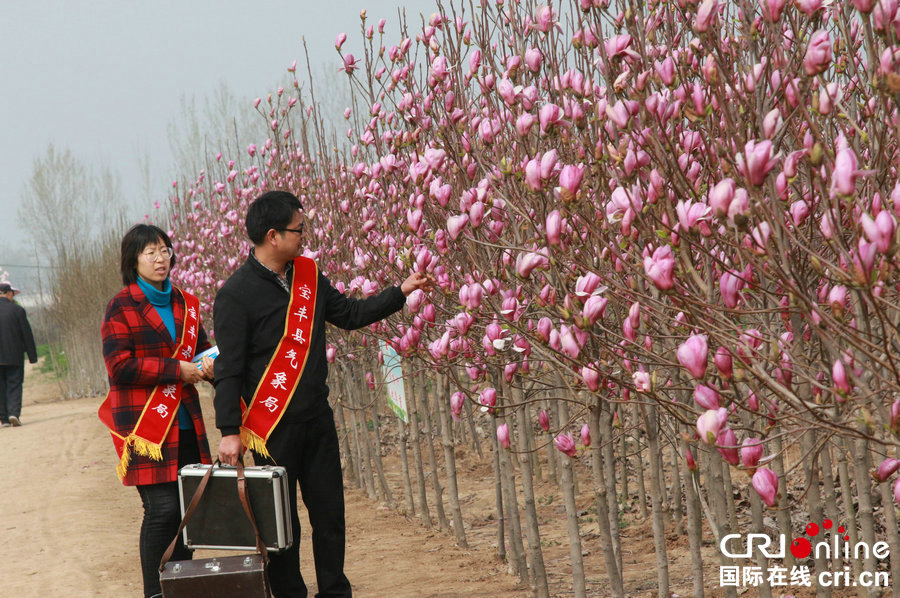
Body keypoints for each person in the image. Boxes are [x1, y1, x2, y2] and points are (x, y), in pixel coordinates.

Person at [213, 190, 433, 598]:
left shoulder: (308, 276)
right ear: (273, 235)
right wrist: (229, 429)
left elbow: (349, 314)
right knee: (283, 525)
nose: (305, 237)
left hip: (317, 418)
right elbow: (229, 368)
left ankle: (334, 590)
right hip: (272, 427)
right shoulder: (236, 294)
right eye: (299, 230)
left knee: (330, 514)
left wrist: (399, 292)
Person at [99, 224, 216, 598]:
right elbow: (119, 365)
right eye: (150, 252)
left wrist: (213, 368)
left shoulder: (186, 303)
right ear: (133, 260)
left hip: (185, 423)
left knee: (187, 512)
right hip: (145, 427)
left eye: (164, 249)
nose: (160, 258)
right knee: (162, 510)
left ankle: (182, 586)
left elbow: (201, 352)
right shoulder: (121, 306)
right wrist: (174, 370)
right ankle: (156, 591)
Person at [0, 281, 37, 428]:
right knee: (14, 384)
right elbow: (26, 334)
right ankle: (13, 413)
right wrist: (32, 356)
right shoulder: (17, 310)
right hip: (14, 355)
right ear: (9, 294)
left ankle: (3, 419)